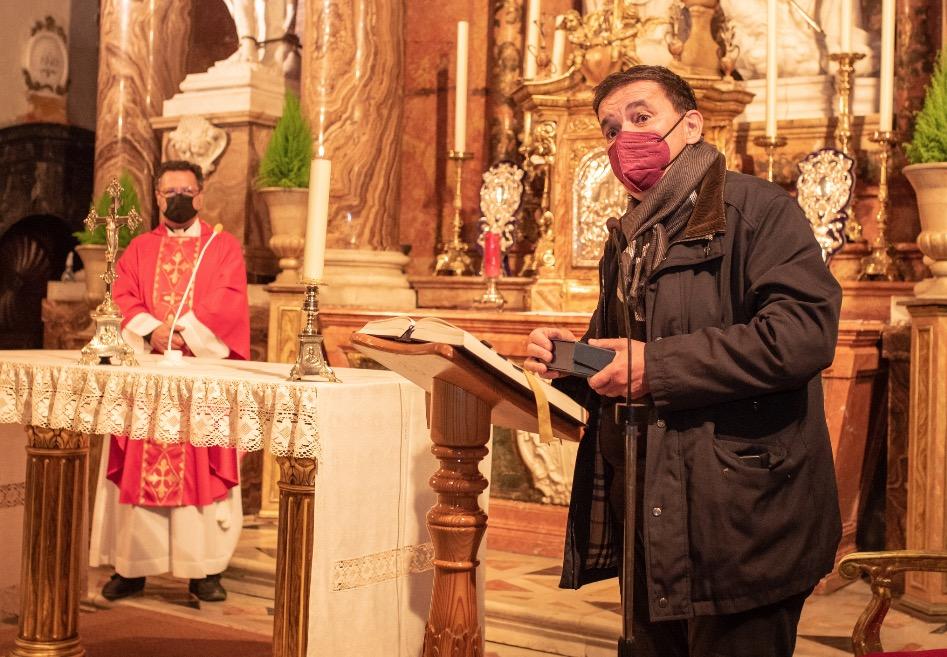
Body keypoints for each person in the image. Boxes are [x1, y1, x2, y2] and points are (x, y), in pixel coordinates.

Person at [523, 66, 842, 657]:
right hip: (653, 511)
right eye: (611, 129)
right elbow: (623, 350)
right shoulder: (631, 235)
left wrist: (656, 367)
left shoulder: (760, 211)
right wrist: (571, 357)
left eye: (641, 118)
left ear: (691, 125)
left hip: (742, 516)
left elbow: (801, 336)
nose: (625, 140)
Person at [89, 160, 251, 603]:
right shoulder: (138, 249)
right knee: (140, 458)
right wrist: (150, 330)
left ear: (200, 196)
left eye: (186, 190)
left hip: (200, 376)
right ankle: (132, 566)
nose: (177, 198)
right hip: (148, 377)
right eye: (168, 192)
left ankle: (204, 570)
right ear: (157, 199)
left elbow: (228, 299)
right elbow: (121, 295)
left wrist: (182, 333)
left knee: (202, 463)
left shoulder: (222, 247)